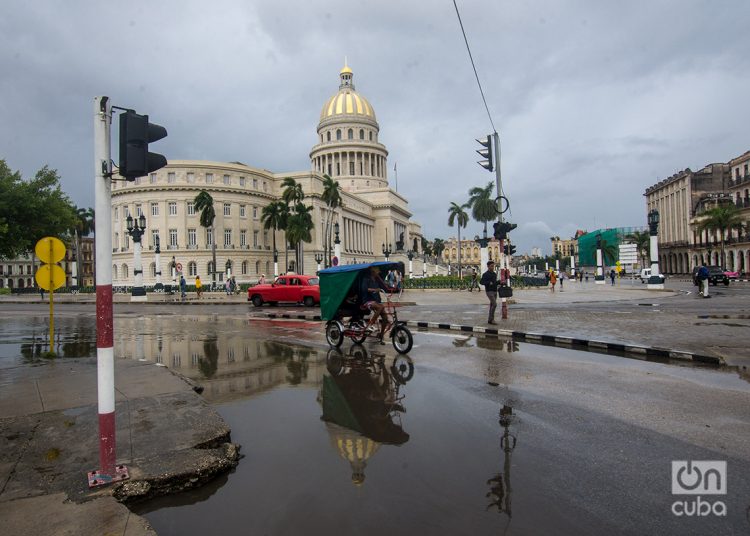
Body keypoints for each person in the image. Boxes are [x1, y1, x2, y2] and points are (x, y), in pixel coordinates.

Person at [360, 266, 391, 343]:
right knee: (380, 307)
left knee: (385, 318)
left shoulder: (377, 280)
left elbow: (383, 287)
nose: (378, 273)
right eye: (377, 272)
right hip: (367, 301)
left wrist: (393, 289)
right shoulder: (366, 279)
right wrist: (375, 290)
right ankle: (371, 324)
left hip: (377, 300)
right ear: (373, 272)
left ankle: (381, 334)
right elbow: (365, 289)